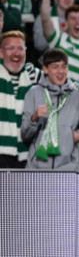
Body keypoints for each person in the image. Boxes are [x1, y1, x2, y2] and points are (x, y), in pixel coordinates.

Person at [20, 48, 79, 170]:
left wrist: (78, 135)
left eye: (64, 67)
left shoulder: (77, 95)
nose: (61, 72)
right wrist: (34, 117)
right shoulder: (33, 93)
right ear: (45, 69)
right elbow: (25, 135)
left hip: (68, 170)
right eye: (55, 67)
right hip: (36, 169)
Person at [0, 30, 41, 167]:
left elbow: (62, 81)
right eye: (10, 48)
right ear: (1, 53)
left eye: (20, 48)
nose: (16, 53)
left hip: (25, 157)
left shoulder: (32, 75)